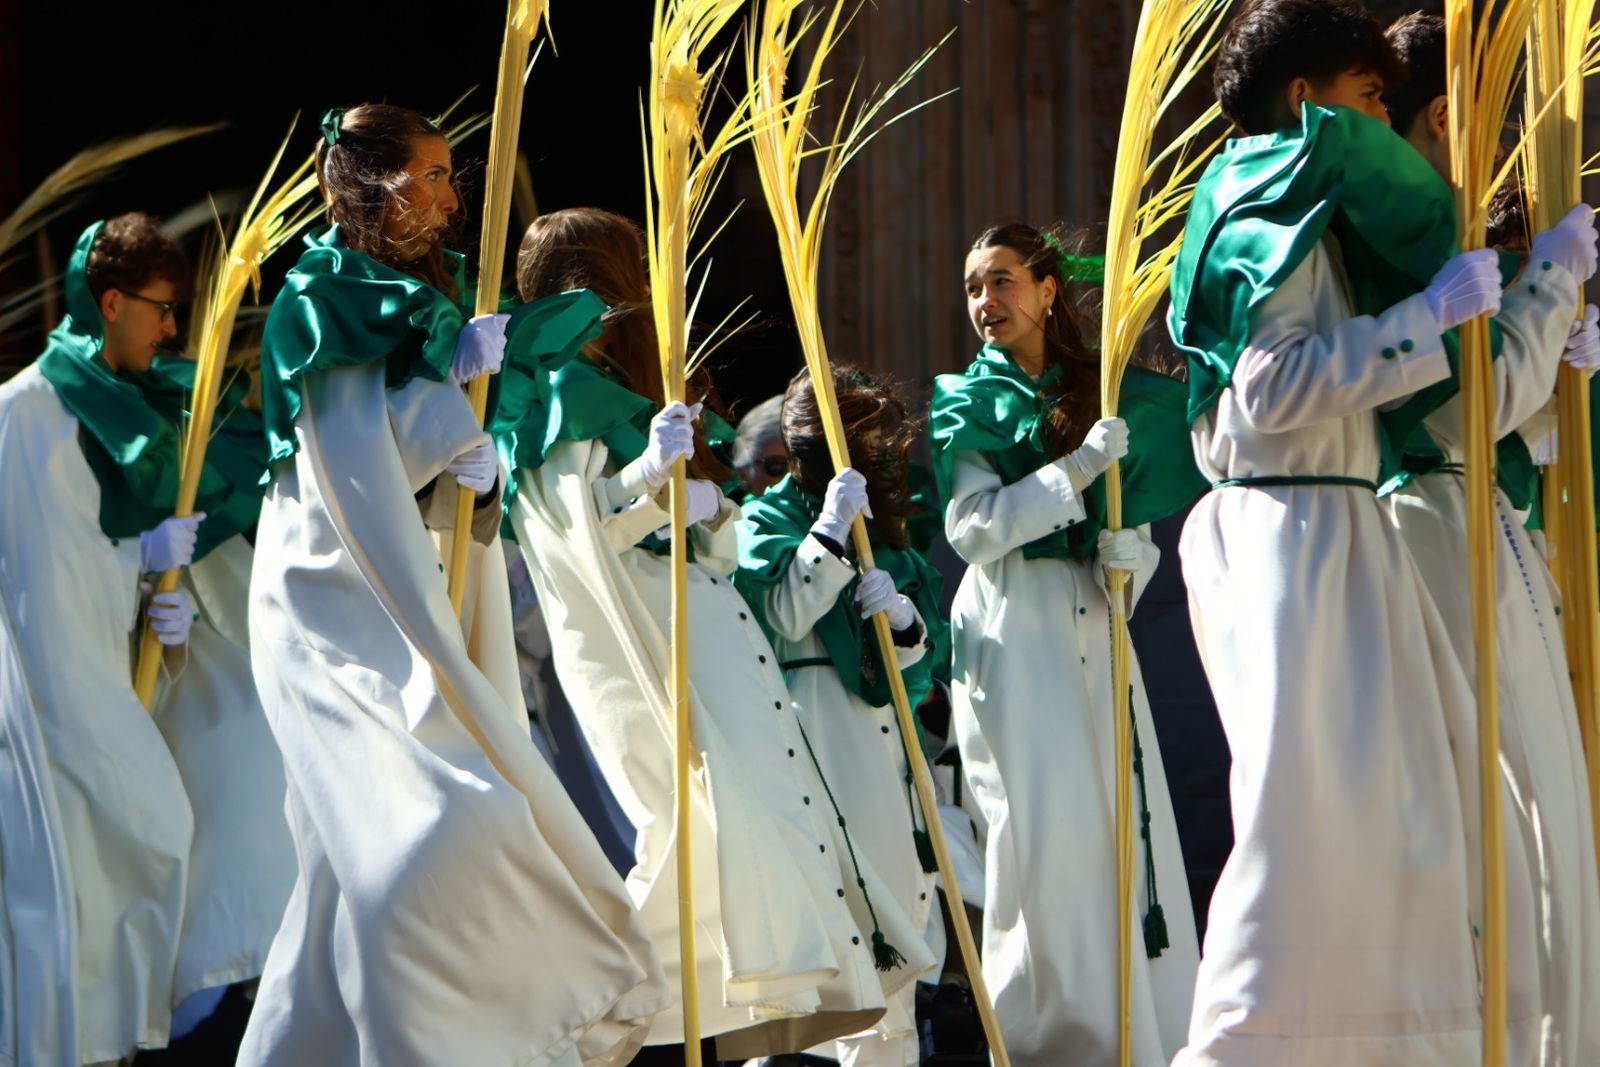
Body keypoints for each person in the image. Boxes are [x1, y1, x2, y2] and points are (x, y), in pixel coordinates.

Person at [1165, 1, 1589, 1060]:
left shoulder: (1298, 202)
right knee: (1310, 831)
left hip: (1328, 527)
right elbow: (1269, 391)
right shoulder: (1262, 199)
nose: (1381, 114)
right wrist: (1448, 309)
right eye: (1367, 97)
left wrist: (1531, 331)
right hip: (1301, 533)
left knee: (1395, 832)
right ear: (1307, 101)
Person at [239, 105, 664, 1067]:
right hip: (329, 596)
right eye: (426, 174)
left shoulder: (413, 295)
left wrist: (467, 458)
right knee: (424, 830)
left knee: (346, 872)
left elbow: (418, 445)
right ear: (369, 182)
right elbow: (343, 451)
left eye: (447, 174)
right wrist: (442, 431)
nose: (446, 195)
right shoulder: (324, 288)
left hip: (398, 584)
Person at [496, 206, 931, 1062]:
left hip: (719, 640)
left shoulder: (634, 394)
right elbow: (563, 525)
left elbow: (719, 540)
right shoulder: (546, 396)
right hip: (661, 647)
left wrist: (702, 500)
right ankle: (584, 1012)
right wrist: (645, 478)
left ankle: (711, 1001)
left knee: (756, 829)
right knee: (695, 823)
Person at [1382, 13, 1600, 1064]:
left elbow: (1514, 423)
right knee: (1508, 815)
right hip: (1432, 523)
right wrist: (1551, 289)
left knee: (1544, 802)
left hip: (1477, 514)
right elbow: (1461, 412)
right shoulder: (1403, 233)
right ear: (1445, 115)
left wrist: (1561, 372)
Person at [931, 222, 1199, 1067]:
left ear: (1049, 291)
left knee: (1119, 825)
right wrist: (1073, 472)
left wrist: (1133, 557)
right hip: (1014, 637)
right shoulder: (965, 399)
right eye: (974, 285)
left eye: (1002, 280)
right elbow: (973, 530)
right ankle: (1050, 1044)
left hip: (1095, 625)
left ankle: (1141, 1036)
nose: (985, 301)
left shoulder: (1103, 392)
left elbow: (1135, 534)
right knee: (1038, 839)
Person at [736, 365, 944, 1067]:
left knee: (897, 918)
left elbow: (921, 655)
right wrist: (824, 533)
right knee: (834, 925)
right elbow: (785, 613)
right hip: (809, 731)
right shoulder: (767, 517)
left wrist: (905, 616)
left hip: (882, 744)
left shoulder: (883, 528)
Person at [732, 393, 789, 498]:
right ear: (743, 474)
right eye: (777, 466)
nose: (793, 476)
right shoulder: (751, 513)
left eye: (805, 463)